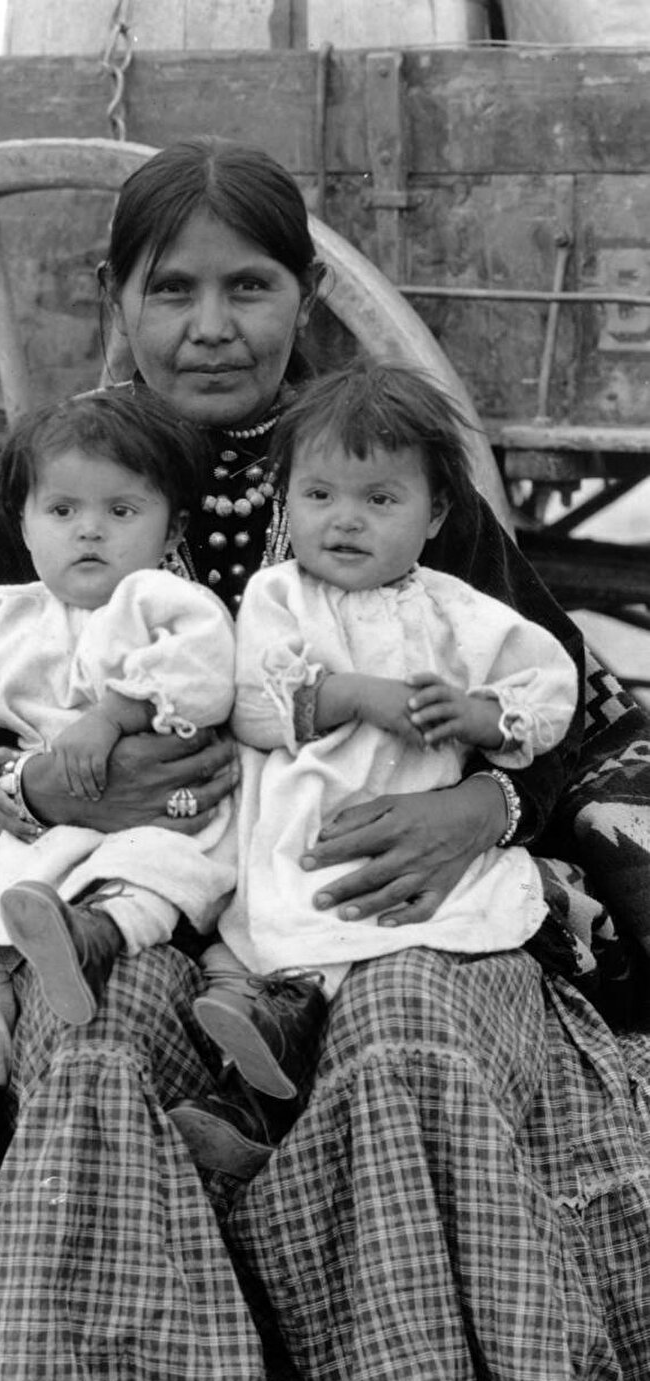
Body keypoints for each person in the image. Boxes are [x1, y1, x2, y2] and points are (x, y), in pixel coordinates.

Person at [0, 137, 649, 1381]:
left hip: (365, 901)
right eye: (172, 290)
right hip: (142, 901)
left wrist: (483, 813)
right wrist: (33, 787)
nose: (213, 328)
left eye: (250, 288)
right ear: (118, 295)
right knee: (92, 1033)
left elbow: (569, 708)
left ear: (304, 296)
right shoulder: (57, 488)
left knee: (408, 1029)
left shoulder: (383, 472)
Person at [170, 362, 580, 1174]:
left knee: (381, 946)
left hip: (414, 820)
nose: (345, 522)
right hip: (299, 821)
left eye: (380, 500)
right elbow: (251, 707)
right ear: (288, 502)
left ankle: (276, 1072)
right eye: (319, 497)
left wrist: (479, 716)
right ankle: (251, 1088)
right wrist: (352, 695)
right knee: (275, 924)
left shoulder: (454, 607)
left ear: (435, 519)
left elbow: (549, 688)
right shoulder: (279, 597)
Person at [0, 390, 237, 1201]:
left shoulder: (175, 609)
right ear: (24, 521)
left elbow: (205, 687)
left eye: (121, 510)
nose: (90, 530)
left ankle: (97, 937)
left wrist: (111, 716)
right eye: (62, 508)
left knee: (162, 870)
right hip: (38, 832)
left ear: (171, 529)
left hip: (156, 827)